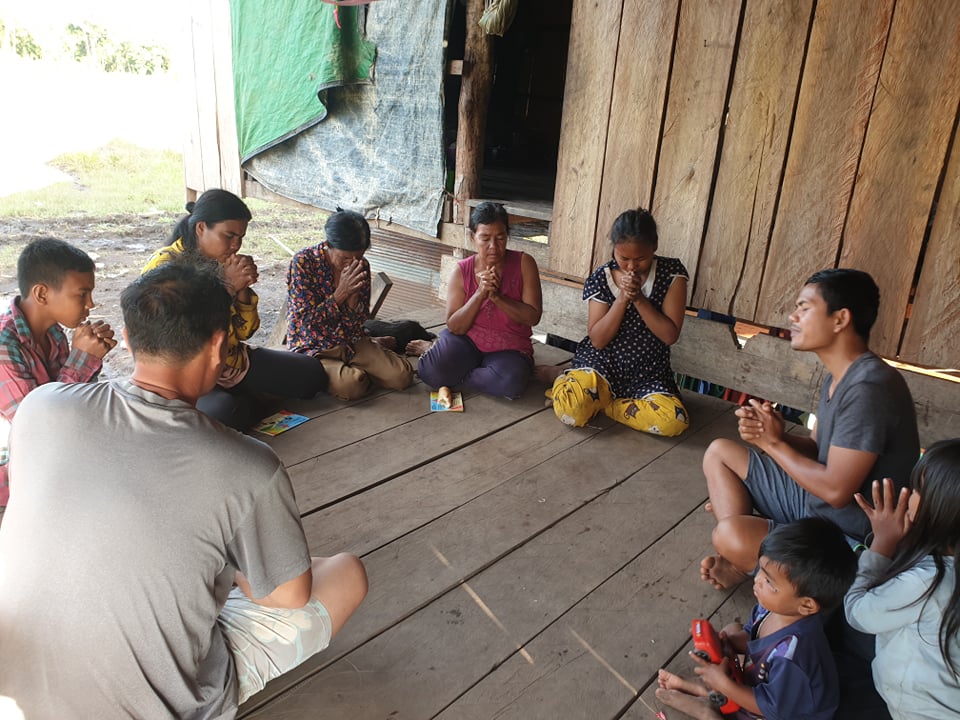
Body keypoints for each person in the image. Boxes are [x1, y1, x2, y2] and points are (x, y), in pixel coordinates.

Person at [0, 262, 367, 718]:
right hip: (153, 708)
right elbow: (288, 596)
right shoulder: (249, 466)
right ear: (217, 347)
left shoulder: (40, 406)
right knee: (344, 573)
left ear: (128, 339)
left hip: (13, 694)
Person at [701, 269, 920, 590]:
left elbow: (836, 492)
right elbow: (817, 448)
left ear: (840, 319)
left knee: (728, 534)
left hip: (848, 536)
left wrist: (772, 444)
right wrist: (777, 434)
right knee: (719, 452)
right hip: (814, 505)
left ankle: (749, 561)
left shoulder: (869, 388)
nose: (793, 317)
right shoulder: (838, 376)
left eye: (804, 308)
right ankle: (745, 561)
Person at [143, 188, 328, 430]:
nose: (236, 245)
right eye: (229, 236)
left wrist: (242, 290)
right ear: (201, 228)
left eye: (240, 237)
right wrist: (228, 288)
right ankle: (247, 398)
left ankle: (247, 397)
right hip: (187, 370)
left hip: (231, 361)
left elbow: (244, 332)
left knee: (312, 374)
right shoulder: (165, 267)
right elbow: (178, 334)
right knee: (226, 412)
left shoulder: (223, 263)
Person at [657, 518, 857, 720]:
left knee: (726, 696)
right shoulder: (774, 608)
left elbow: (771, 708)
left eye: (769, 581)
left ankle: (707, 708)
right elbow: (751, 636)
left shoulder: (793, 656)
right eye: (760, 569)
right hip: (765, 682)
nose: (757, 579)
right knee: (732, 630)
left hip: (783, 711)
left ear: (806, 605)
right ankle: (713, 691)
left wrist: (725, 684)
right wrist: (723, 643)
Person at [546, 207, 689, 436]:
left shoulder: (671, 274)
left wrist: (639, 299)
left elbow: (670, 335)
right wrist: (622, 298)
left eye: (640, 259)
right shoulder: (601, 278)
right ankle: (575, 385)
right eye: (623, 258)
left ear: (654, 247)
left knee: (673, 422)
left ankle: (606, 405)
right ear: (614, 249)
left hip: (649, 371)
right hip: (602, 364)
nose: (631, 267)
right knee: (570, 409)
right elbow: (598, 340)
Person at [845, 440, 960, 719]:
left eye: (918, 489)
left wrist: (882, 543)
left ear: (943, 508)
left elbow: (858, 613)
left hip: (914, 710)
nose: (908, 495)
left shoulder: (928, 583)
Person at [0, 237, 115, 512]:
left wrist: (86, 357)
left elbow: (74, 402)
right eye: (82, 294)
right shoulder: (4, 346)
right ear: (42, 294)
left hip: (51, 459)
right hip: (14, 481)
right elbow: (38, 424)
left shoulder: (53, 333)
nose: (91, 304)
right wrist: (83, 359)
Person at [417, 201, 543, 399]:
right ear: (472, 237)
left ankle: (461, 374)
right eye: (485, 238)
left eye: (500, 238)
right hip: (466, 341)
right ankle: (479, 372)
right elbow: (455, 326)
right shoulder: (462, 271)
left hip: (509, 347)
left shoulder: (524, 263)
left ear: (507, 236)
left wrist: (497, 297)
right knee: (429, 371)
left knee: (510, 383)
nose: (493, 246)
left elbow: (533, 317)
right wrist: (480, 294)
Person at [286, 209, 413, 400]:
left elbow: (359, 321)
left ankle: (359, 362)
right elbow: (305, 321)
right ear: (328, 245)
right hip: (314, 345)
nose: (352, 263)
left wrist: (353, 303)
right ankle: (354, 369)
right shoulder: (304, 263)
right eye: (345, 258)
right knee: (353, 385)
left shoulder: (362, 266)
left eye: (359, 257)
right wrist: (341, 294)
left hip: (351, 340)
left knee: (402, 376)